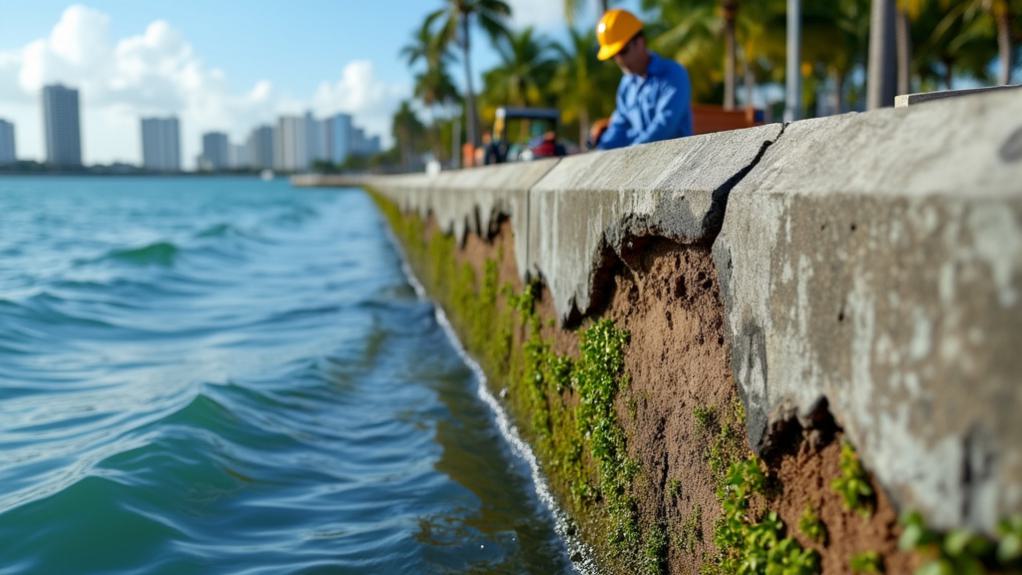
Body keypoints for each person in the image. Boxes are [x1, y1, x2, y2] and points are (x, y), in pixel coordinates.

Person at [590, 9, 693, 150]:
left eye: (622, 51)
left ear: (640, 42)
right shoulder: (626, 86)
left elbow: (665, 126)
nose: (619, 60)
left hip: (677, 162)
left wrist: (632, 152)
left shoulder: (673, 74)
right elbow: (620, 127)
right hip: (641, 162)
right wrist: (599, 152)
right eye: (613, 56)